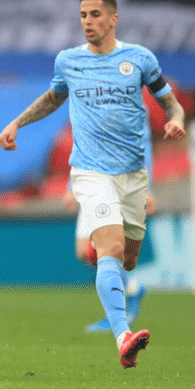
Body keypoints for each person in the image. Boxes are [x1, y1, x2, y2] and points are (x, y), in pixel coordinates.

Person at [0, 0, 186, 369]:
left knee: (127, 258)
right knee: (109, 250)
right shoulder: (69, 61)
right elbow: (52, 98)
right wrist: (16, 123)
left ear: (113, 19)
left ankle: (123, 279)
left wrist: (176, 120)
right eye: (83, 15)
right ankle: (122, 336)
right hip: (90, 172)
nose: (88, 21)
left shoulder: (139, 59)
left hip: (133, 175)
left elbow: (170, 102)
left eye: (95, 14)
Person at [63, 112, 155, 333]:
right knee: (84, 251)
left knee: (106, 249)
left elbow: (143, 145)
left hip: (120, 183)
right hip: (90, 180)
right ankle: (131, 288)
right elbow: (83, 144)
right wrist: (71, 184)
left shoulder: (129, 103)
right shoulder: (88, 102)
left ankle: (118, 317)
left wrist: (147, 187)